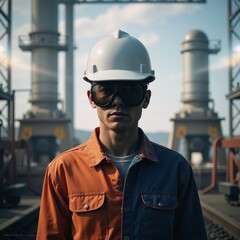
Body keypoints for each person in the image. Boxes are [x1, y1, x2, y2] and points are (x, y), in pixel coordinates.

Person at [36, 29, 207, 240]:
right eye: (105, 91)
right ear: (91, 98)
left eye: (130, 91)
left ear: (146, 98)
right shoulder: (62, 171)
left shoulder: (176, 170)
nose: (117, 101)